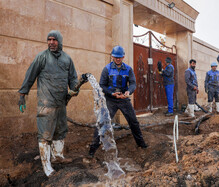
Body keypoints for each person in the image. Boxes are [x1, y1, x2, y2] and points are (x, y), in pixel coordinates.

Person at [18, 30, 83, 177]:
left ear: (60, 41)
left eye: (54, 40)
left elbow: (73, 78)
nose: (51, 42)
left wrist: (74, 90)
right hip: (46, 104)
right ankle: (47, 167)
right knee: (45, 135)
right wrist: (23, 94)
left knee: (60, 130)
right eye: (49, 39)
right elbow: (30, 75)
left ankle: (57, 156)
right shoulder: (42, 57)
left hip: (61, 103)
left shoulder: (67, 59)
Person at [89, 45, 147, 157]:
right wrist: (111, 93)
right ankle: (92, 149)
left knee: (133, 121)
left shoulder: (128, 69)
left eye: (120, 57)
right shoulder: (107, 69)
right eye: (115, 57)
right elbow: (102, 85)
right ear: (112, 56)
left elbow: (133, 84)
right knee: (102, 122)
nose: (118, 59)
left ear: (123, 57)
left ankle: (141, 144)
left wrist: (128, 92)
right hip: (111, 100)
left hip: (124, 99)